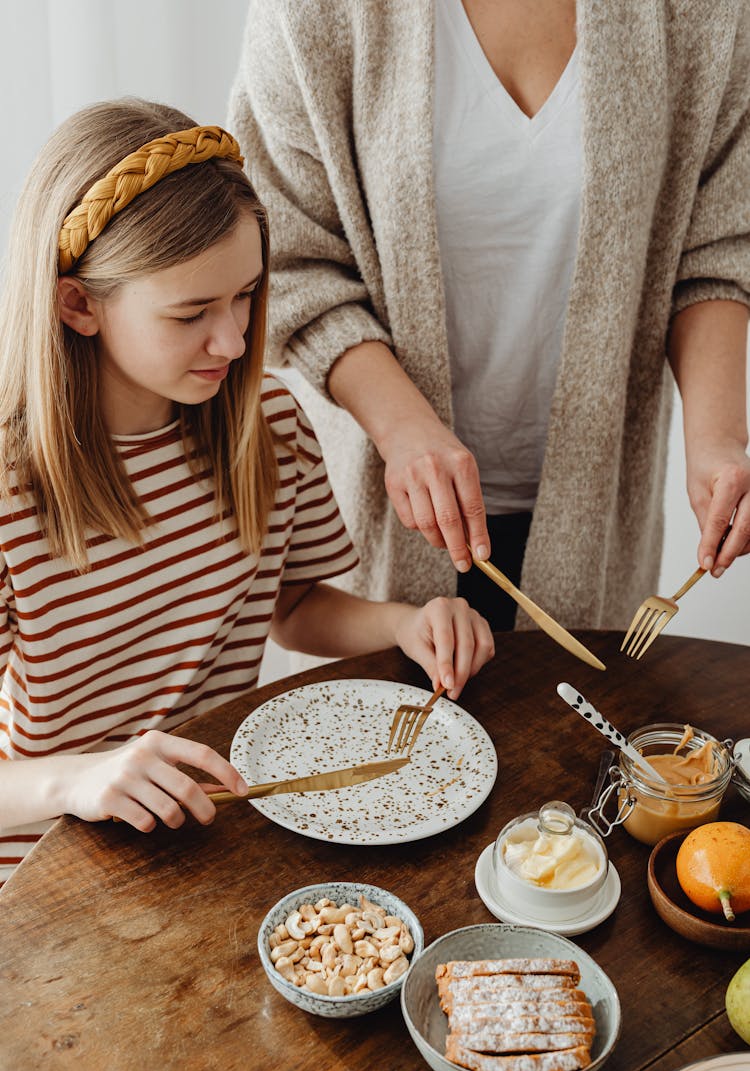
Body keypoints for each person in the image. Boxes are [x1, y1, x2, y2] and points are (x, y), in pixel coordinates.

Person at [0, 98, 494, 887]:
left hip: (216, 830)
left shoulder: (269, 422)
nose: (233, 340)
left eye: (245, 297)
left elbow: (292, 606)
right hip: (49, 866)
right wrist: (78, 779)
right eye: (192, 311)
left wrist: (405, 622)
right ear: (77, 304)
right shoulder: (11, 486)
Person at [229, 0, 750, 631]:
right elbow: (283, 253)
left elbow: (719, 241)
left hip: (596, 520)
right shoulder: (314, 13)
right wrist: (403, 430)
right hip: (382, 515)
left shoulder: (710, 13)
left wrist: (718, 439)